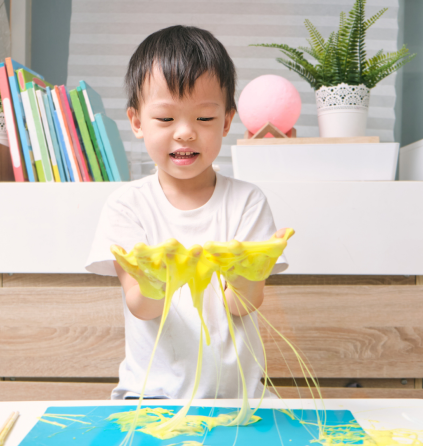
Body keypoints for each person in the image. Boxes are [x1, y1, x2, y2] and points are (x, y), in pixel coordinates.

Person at [85, 25, 289, 400]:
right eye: (165, 119)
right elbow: (142, 307)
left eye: (204, 119)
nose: (185, 133)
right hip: (150, 399)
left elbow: (240, 304)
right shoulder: (127, 206)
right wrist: (154, 279)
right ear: (136, 122)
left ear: (227, 121)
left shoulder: (247, 202)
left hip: (240, 398)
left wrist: (249, 271)